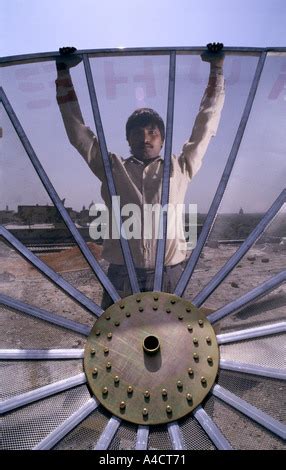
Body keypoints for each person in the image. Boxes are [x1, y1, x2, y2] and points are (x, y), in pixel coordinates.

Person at [55, 44, 225, 308]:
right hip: (123, 273)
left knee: (171, 341)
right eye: (137, 132)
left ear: (162, 138)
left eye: (152, 132)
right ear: (128, 138)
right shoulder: (113, 169)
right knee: (115, 342)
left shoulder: (180, 168)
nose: (145, 138)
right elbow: (79, 135)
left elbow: (206, 126)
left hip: (169, 273)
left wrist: (217, 70)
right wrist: (63, 74)